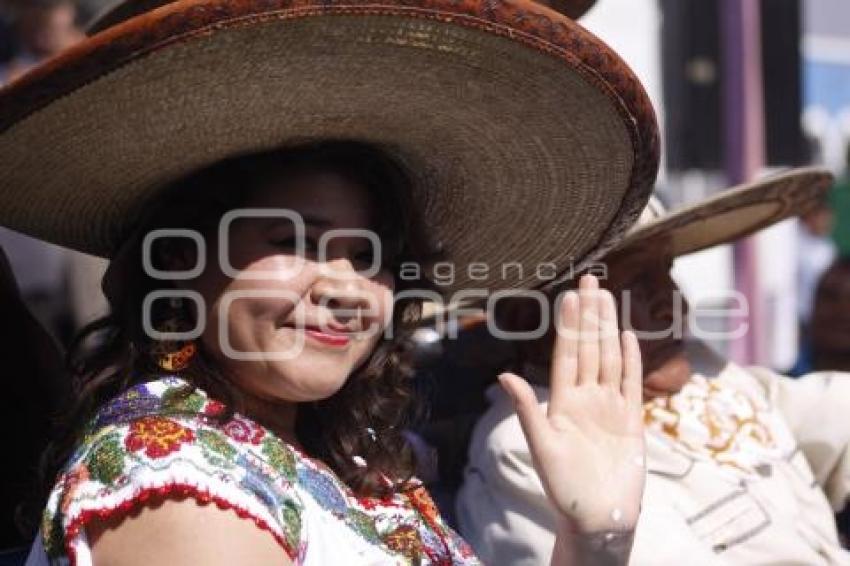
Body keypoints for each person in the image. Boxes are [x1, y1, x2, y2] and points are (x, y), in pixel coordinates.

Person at [0, 0, 663, 563]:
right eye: (293, 243)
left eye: (369, 256)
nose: (345, 288)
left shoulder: (346, 462)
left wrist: (594, 536)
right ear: (179, 259)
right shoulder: (172, 482)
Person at [456, 168, 850, 565]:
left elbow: (828, 411)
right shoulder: (528, 447)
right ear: (530, 320)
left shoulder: (697, 368)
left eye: (668, 271)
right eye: (639, 284)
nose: (677, 305)